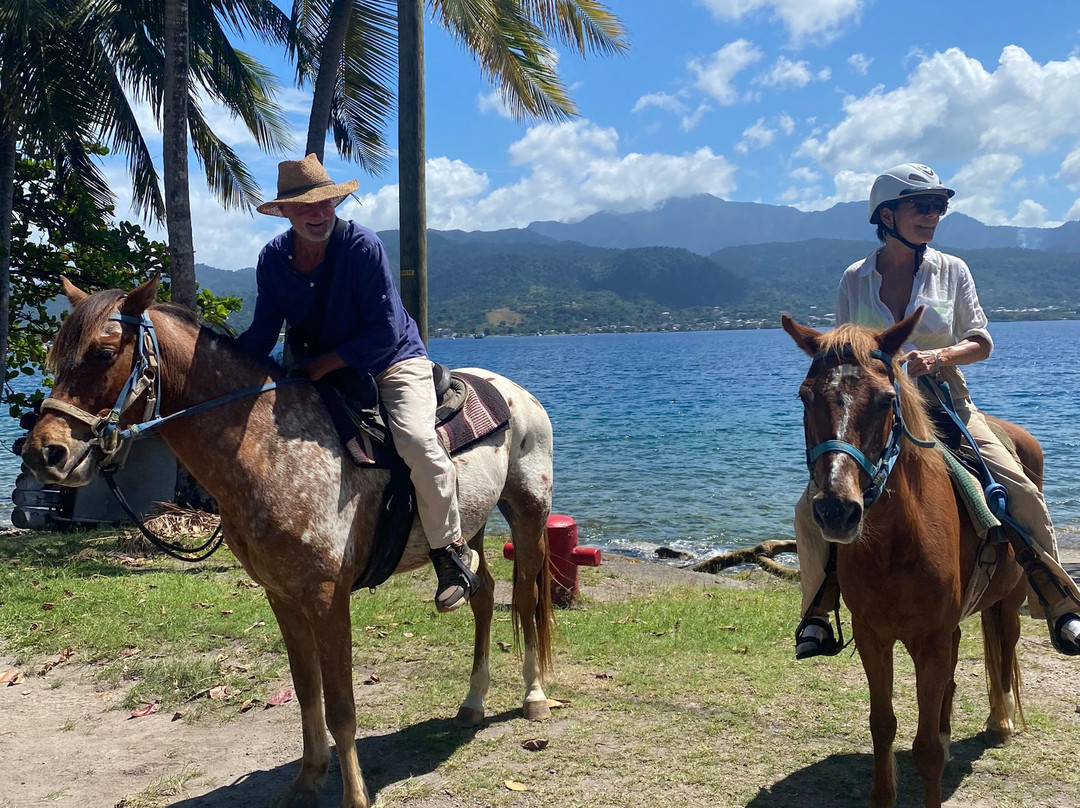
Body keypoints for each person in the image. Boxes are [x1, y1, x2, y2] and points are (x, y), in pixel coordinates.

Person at [793, 162, 1080, 659]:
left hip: (947, 402)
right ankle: (817, 613)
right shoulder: (855, 278)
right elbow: (843, 352)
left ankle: (1057, 598)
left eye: (939, 206)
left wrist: (940, 356)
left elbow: (981, 341)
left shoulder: (953, 270)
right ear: (886, 215)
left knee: (1020, 488)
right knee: (809, 506)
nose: (933, 215)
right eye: (921, 206)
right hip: (880, 413)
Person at [235, 153, 479, 613]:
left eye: (326, 203)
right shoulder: (271, 260)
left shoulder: (362, 246)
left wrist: (324, 365)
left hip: (390, 360)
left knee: (415, 440)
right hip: (317, 369)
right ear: (284, 212)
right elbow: (264, 333)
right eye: (305, 205)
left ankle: (451, 552)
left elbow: (384, 331)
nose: (318, 213)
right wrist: (215, 362)